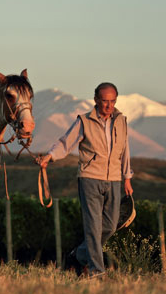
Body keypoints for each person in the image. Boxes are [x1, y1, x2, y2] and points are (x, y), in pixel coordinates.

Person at [37, 82, 133, 278]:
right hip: (90, 178)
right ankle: (97, 271)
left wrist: (127, 178)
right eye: (105, 101)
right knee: (93, 226)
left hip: (114, 179)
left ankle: (80, 254)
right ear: (96, 100)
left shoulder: (121, 120)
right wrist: (50, 156)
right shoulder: (84, 121)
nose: (109, 105)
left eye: (112, 101)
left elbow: (125, 150)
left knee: (111, 224)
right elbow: (66, 141)